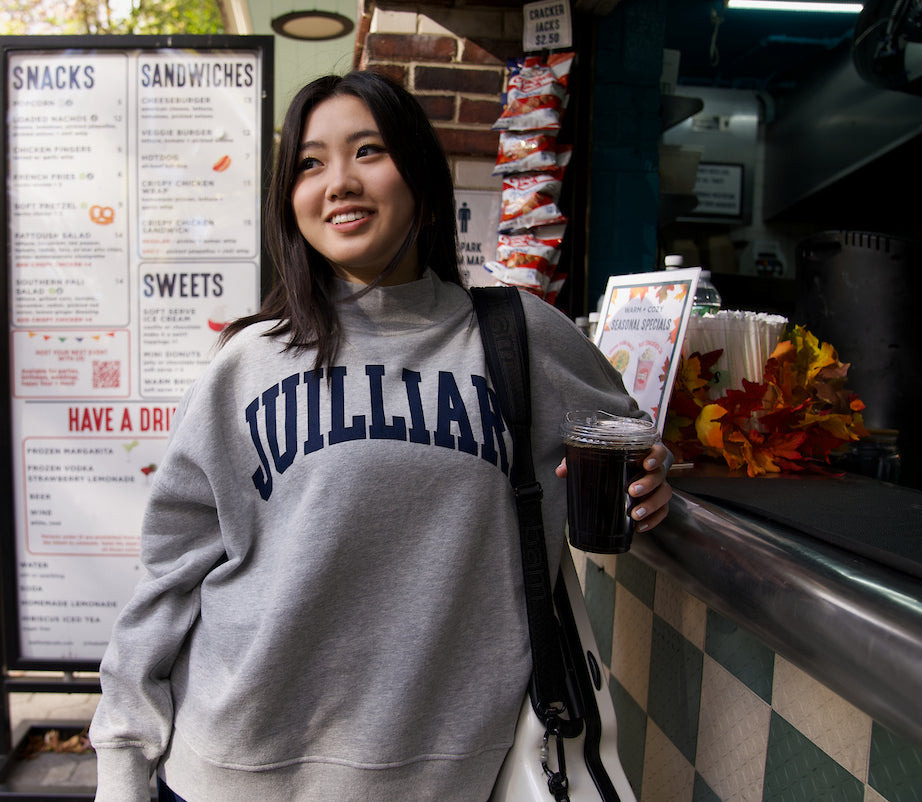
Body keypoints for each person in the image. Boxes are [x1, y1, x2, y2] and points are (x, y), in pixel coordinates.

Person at [90, 71, 673, 802]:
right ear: (290, 200)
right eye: (310, 163)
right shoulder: (246, 363)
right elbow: (170, 576)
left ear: (422, 180)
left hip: (443, 777)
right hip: (230, 769)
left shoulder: (522, 337)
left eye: (368, 151)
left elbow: (631, 435)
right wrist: (122, 759)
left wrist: (653, 474)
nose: (339, 182)